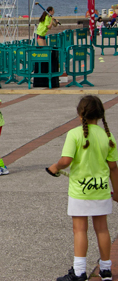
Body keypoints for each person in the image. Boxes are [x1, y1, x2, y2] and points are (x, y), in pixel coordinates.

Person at [47, 95, 118, 281]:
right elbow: (113, 167)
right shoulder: (108, 136)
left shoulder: (74, 134)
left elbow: (66, 160)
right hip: (101, 189)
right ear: (100, 115)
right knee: (102, 229)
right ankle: (106, 270)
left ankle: (79, 272)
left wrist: (55, 167)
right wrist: (117, 191)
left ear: (80, 114)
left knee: (80, 230)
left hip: (80, 191)